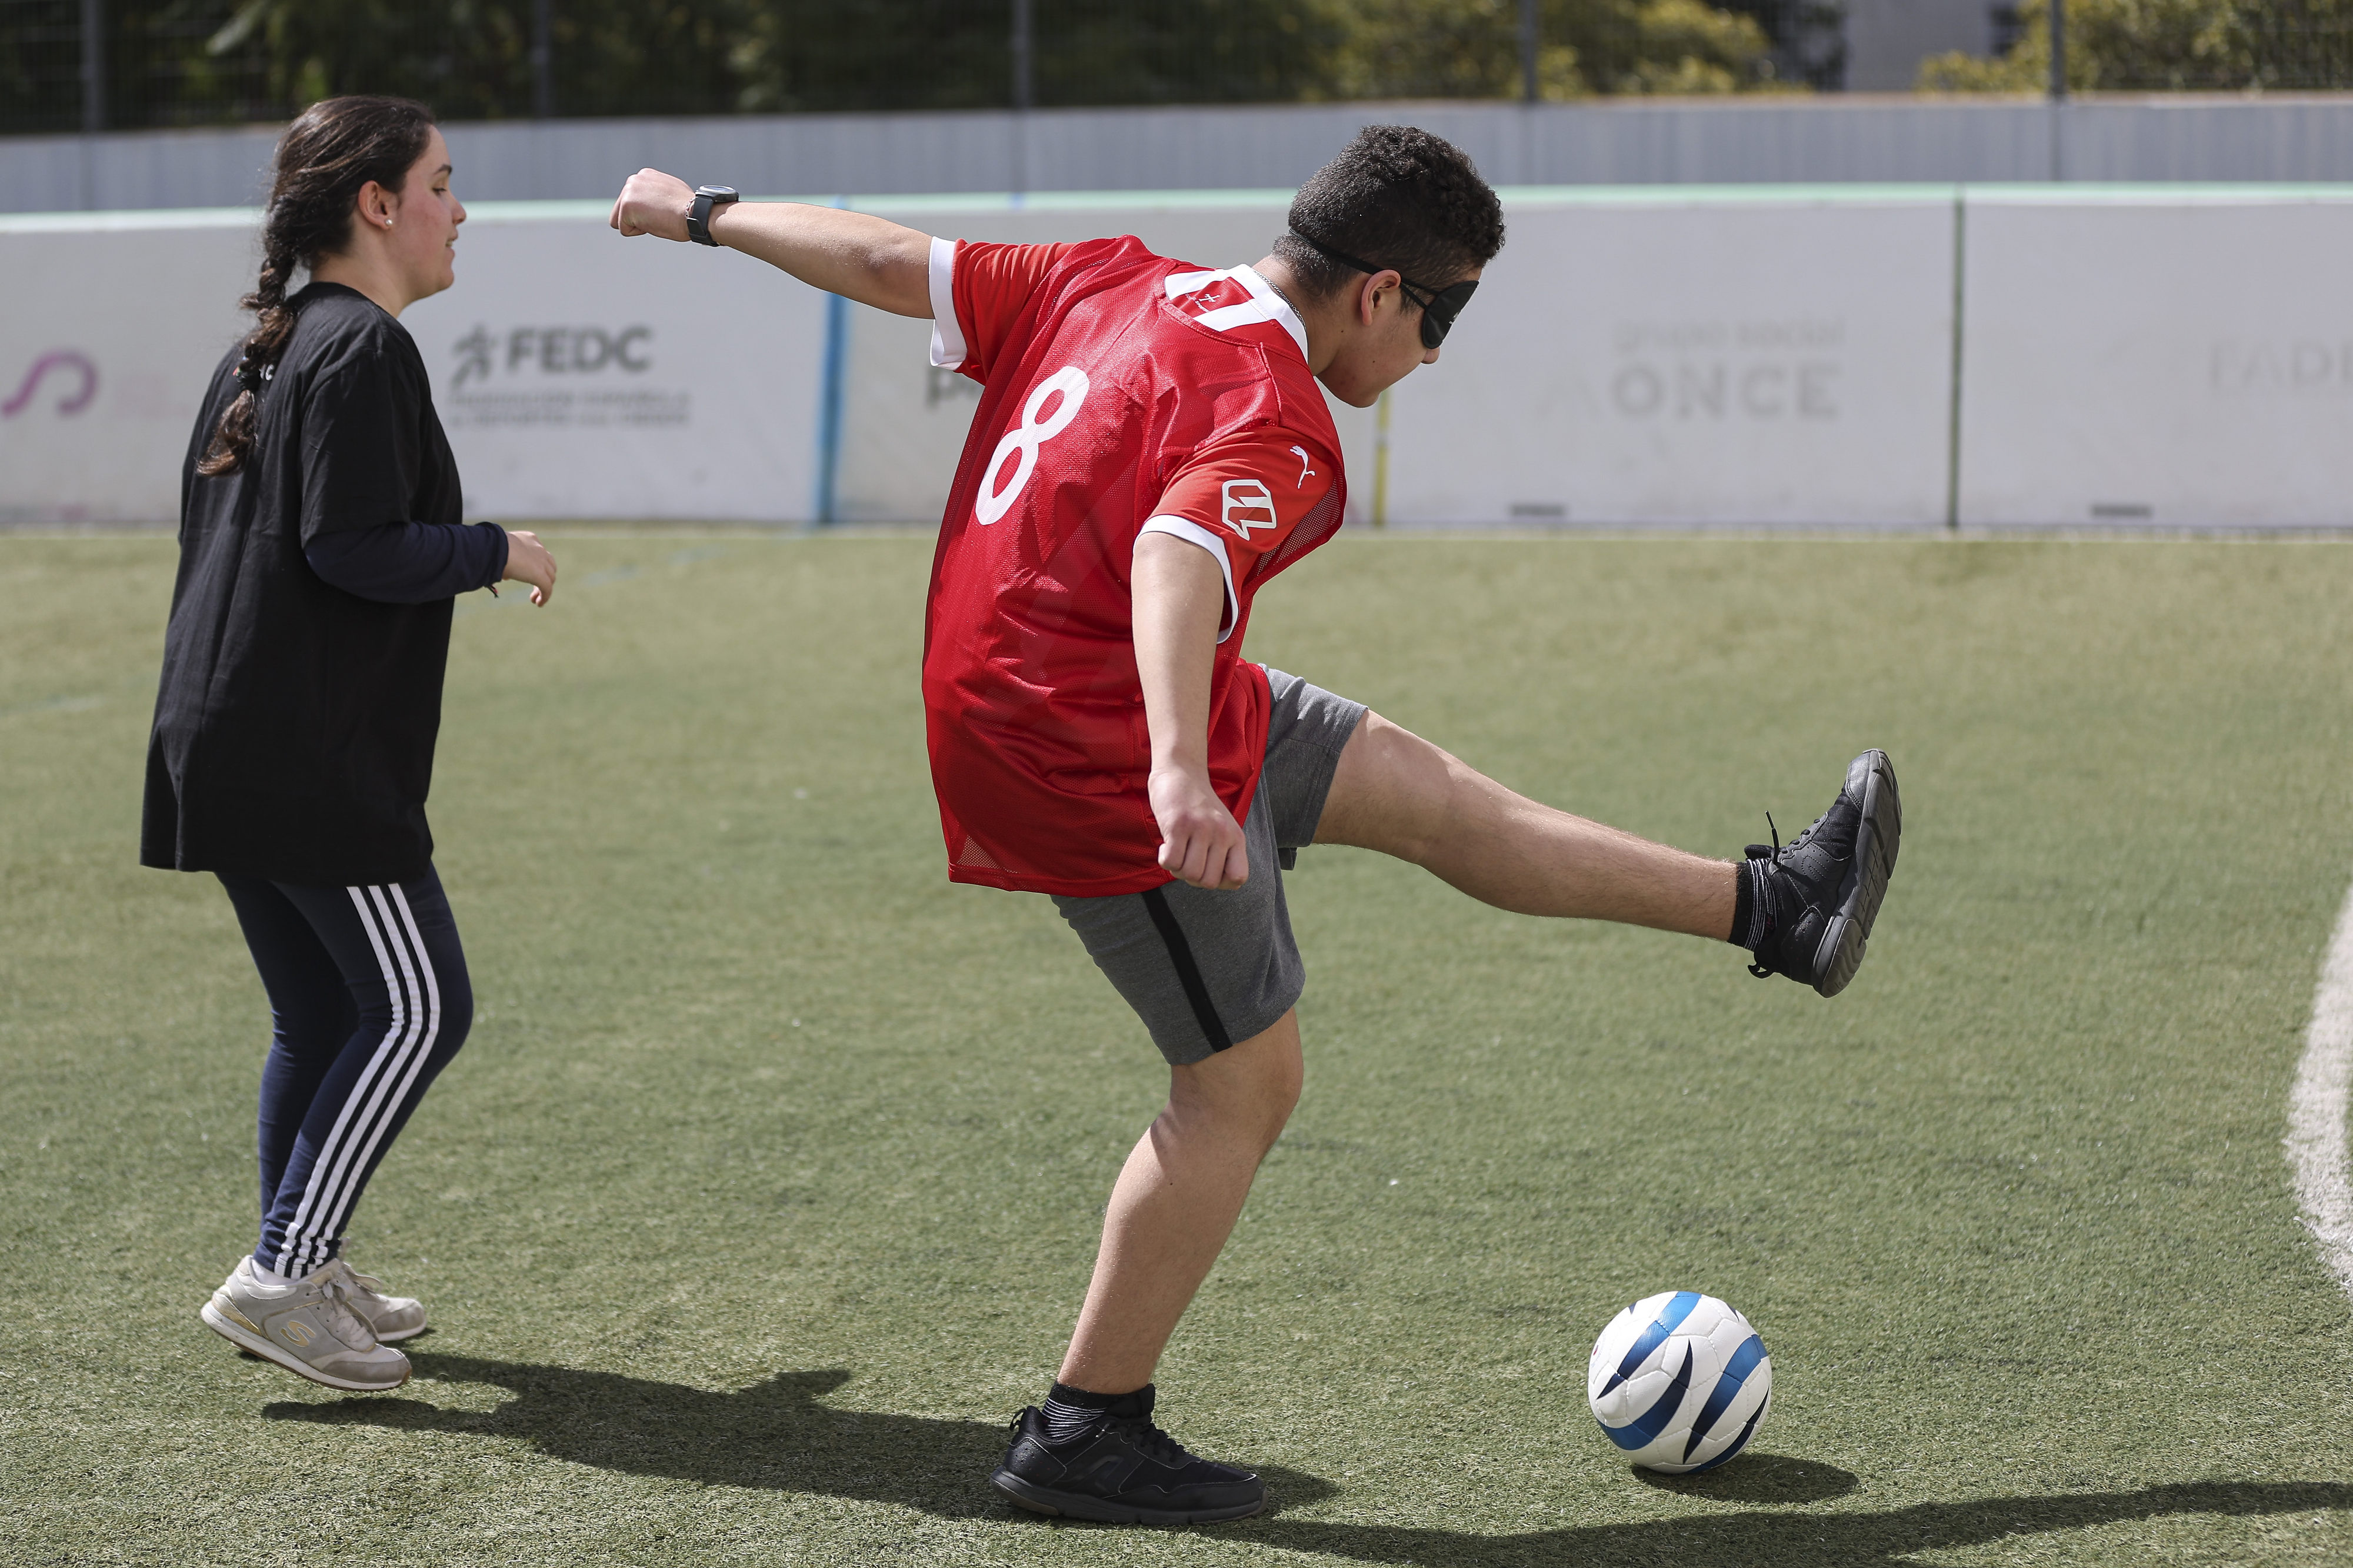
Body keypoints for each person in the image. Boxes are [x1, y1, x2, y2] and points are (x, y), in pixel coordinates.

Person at [609, 123, 1899, 1524]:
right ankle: (1082, 1431)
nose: (1436, 352)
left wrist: (702, 210)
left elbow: (884, 257)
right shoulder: (1280, 415)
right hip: (1081, 736)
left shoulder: (1111, 279)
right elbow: (1175, 556)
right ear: (1377, 291)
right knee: (1241, 1085)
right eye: (1444, 314)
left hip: (1078, 678)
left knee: (1417, 788)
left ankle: (1778, 907)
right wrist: (1174, 774)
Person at [144, 95, 558, 1394]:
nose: (459, 207)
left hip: (222, 737)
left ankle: (303, 1268)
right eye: (440, 180)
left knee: (323, 1009)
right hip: (304, 753)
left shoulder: (263, 349)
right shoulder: (359, 348)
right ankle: (280, 1272)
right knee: (422, 1005)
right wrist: (494, 549)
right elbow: (350, 545)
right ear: (375, 204)